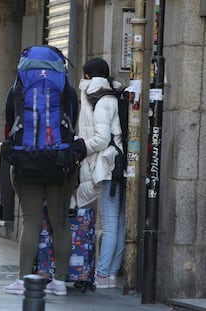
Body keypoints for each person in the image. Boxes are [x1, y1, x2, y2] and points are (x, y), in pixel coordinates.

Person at [3, 84, 80, 296]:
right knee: (61, 223)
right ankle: (60, 282)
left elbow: (10, 124)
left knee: (31, 222)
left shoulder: (17, 90)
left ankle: (23, 279)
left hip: (26, 164)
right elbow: (72, 124)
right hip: (59, 164)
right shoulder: (66, 90)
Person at [76, 58, 126, 289]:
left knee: (110, 221)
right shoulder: (112, 94)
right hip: (119, 163)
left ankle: (104, 273)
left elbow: (101, 138)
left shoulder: (99, 98)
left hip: (107, 165)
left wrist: (80, 147)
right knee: (119, 221)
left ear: (87, 76)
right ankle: (112, 272)